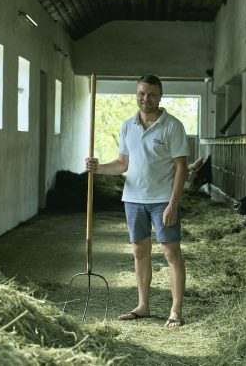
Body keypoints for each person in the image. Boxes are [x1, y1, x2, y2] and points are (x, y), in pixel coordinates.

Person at [85, 74, 189, 328]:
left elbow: (181, 168)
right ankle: (143, 306)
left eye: (152, 94)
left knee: (170, 251)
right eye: (142, 93)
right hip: (133, 200)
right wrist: (97, 168)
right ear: (136, 94)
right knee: (140, 251)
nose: (146, 99)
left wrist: (173, 203)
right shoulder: (127, 125)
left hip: (162, 200)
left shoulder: (172, 126)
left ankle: (176, 310)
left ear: (160, 96)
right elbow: (123, 164)